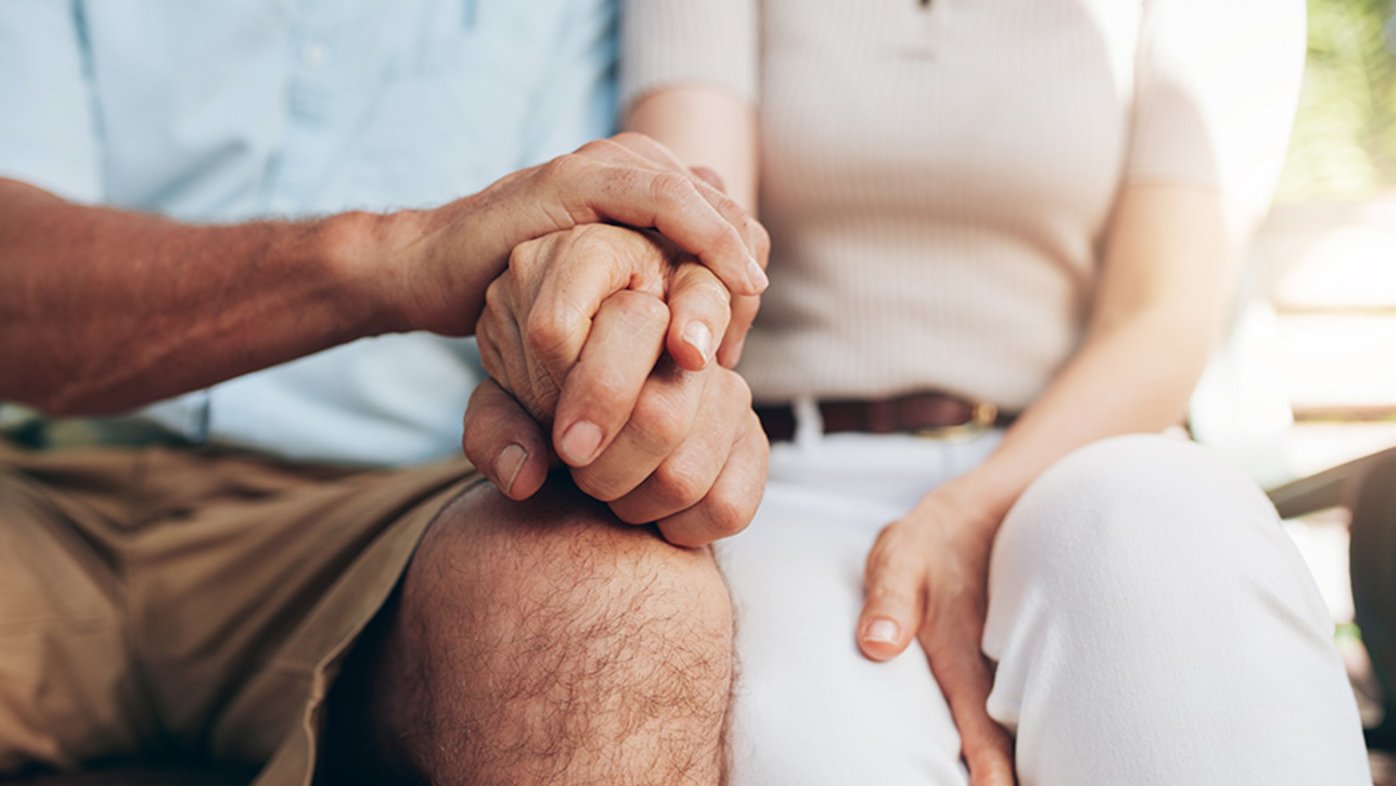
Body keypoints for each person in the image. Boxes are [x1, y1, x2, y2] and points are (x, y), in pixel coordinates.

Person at [0, 2, 769, 784]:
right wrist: (395, 258)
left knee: (611, 613)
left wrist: (624, 328)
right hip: (45, 492)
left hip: (398, 511)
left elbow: (618, 244)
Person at [614, 0, 1375, 784]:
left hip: (1079, 453)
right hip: (788, 483)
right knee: (823, 750)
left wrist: (967, 512)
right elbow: (695, 231)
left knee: (1172, 551)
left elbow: (1163, 315)